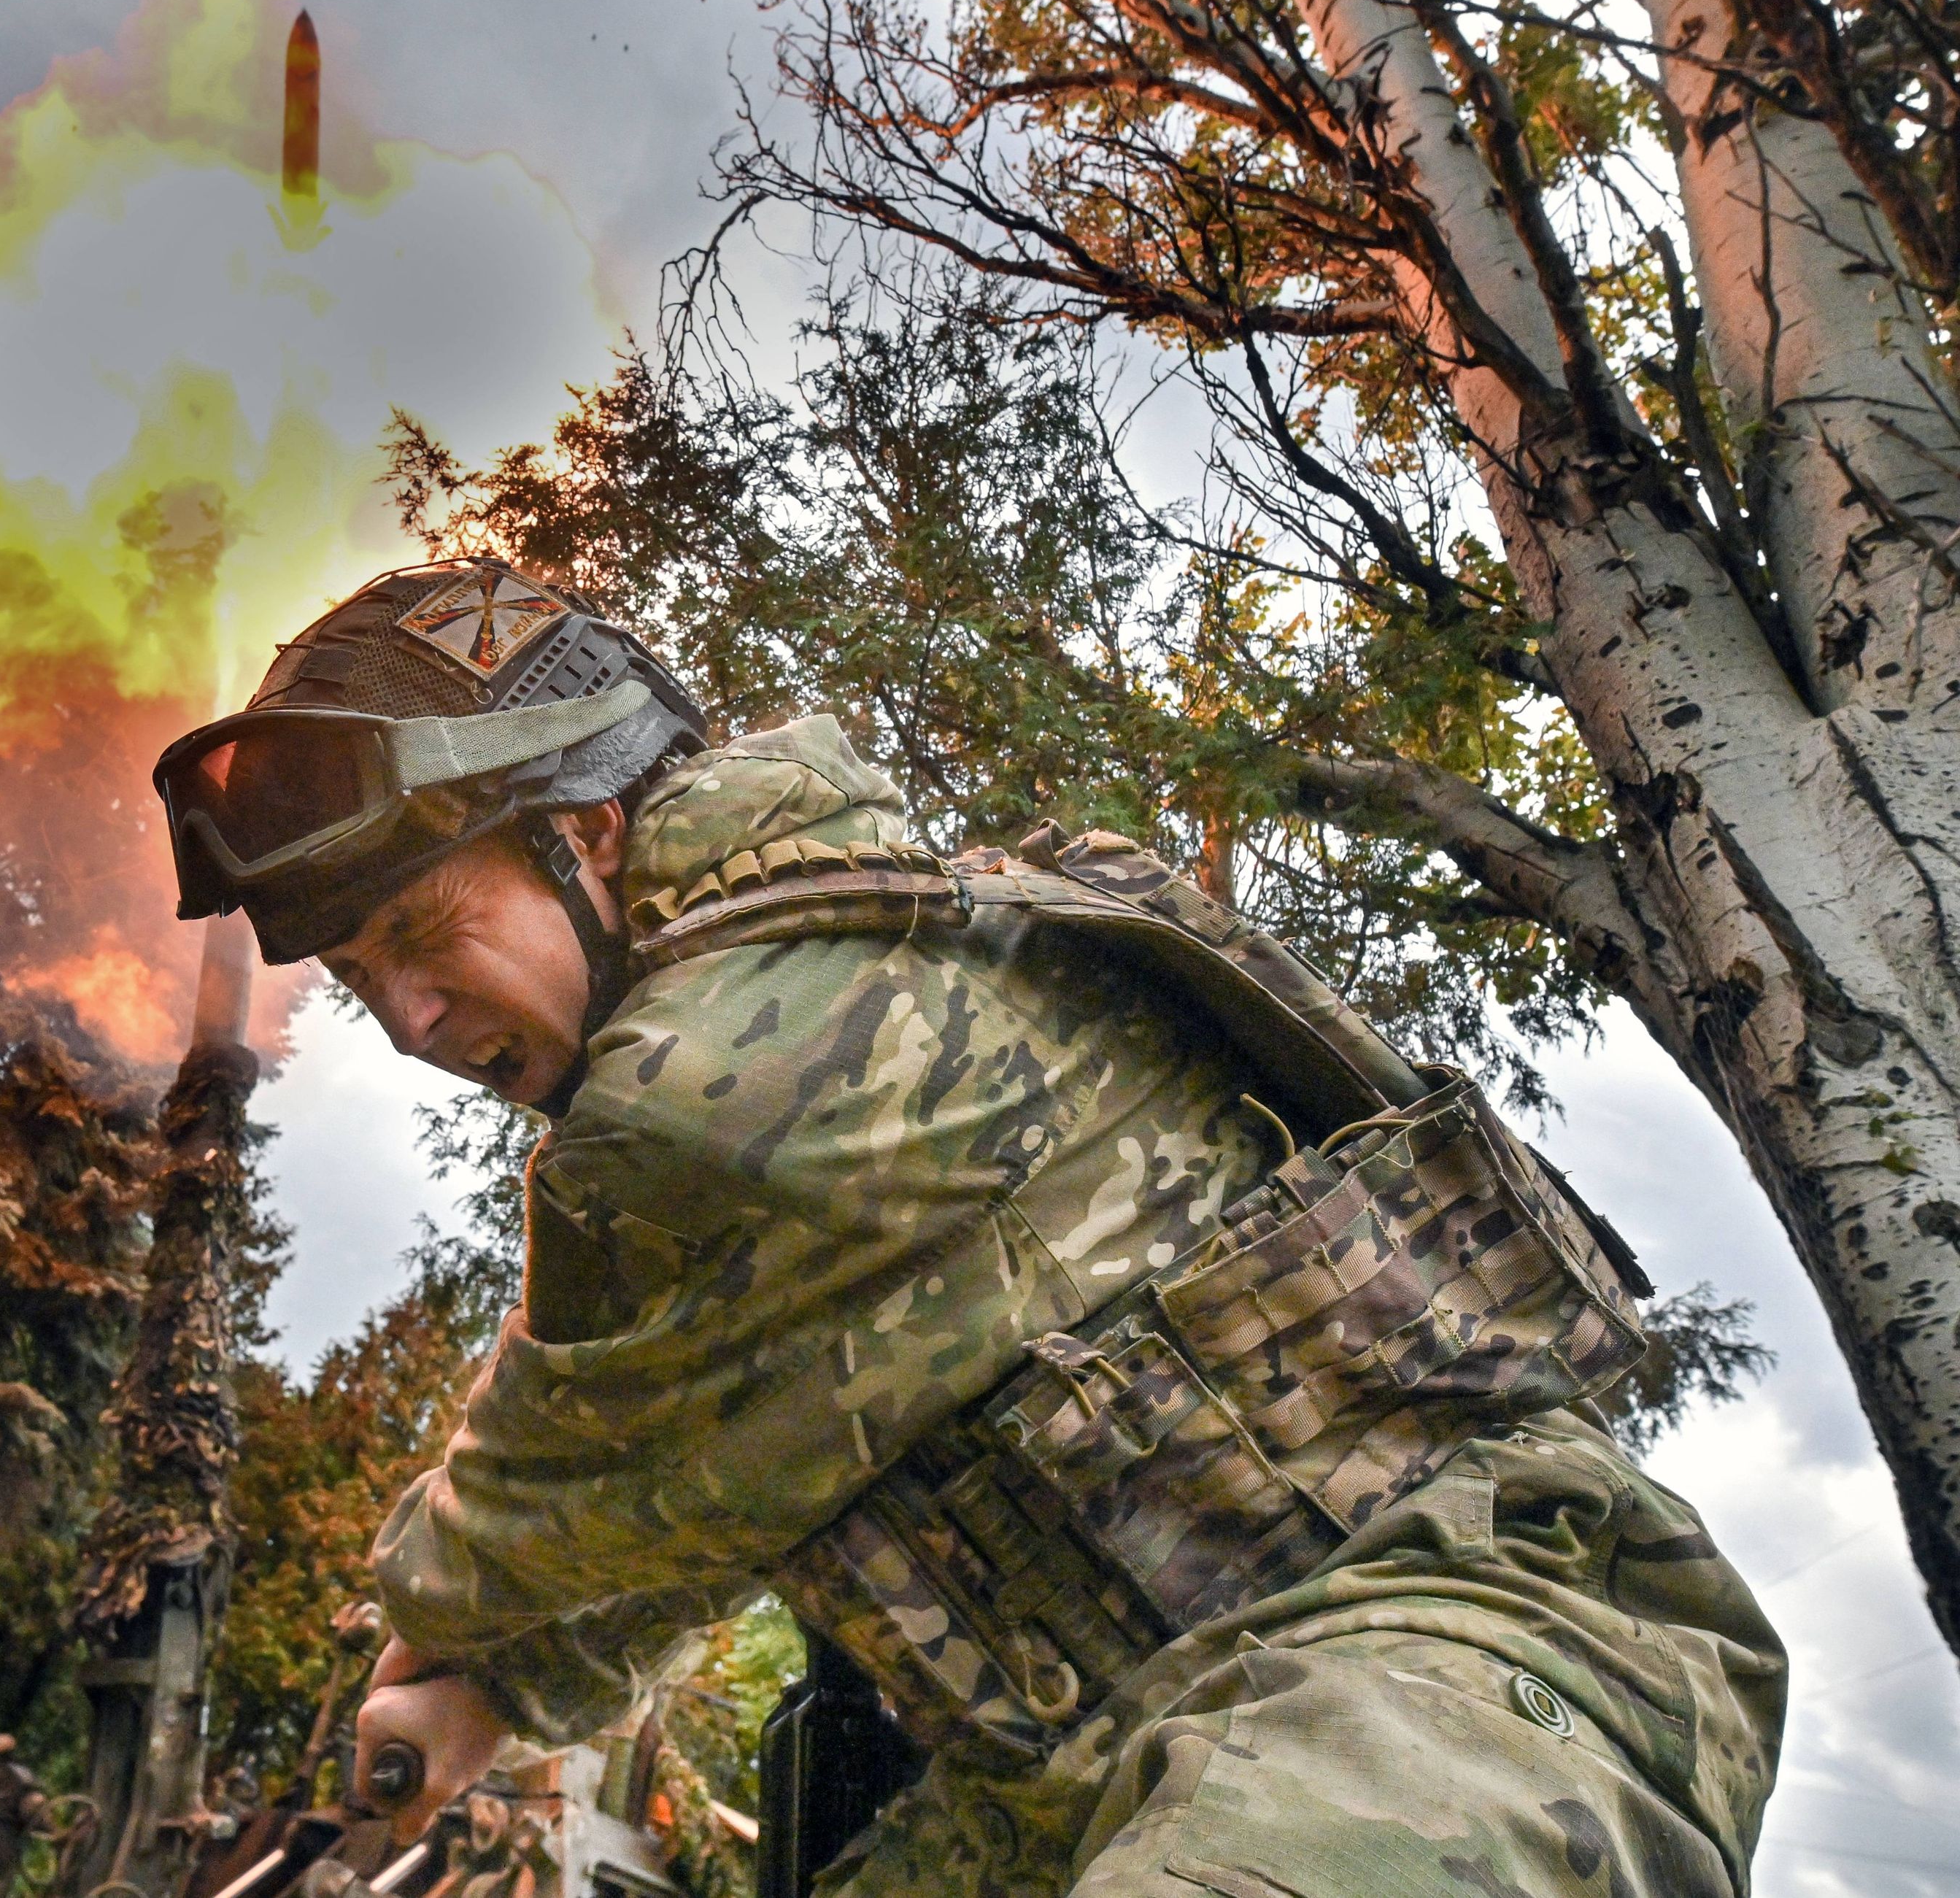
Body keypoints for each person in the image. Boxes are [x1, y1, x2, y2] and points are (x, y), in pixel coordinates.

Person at [155, 558, 1785, 1898]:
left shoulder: (712, 1092)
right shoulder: (868, 941)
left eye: (425, 930)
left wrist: (442, 1635)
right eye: (360, 984)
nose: (415, 1018)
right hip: (1082, 1752)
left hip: (1441, 1671)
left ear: (585, 835)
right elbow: (760, 1461)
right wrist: (494, 1693)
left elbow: (552, 1506)